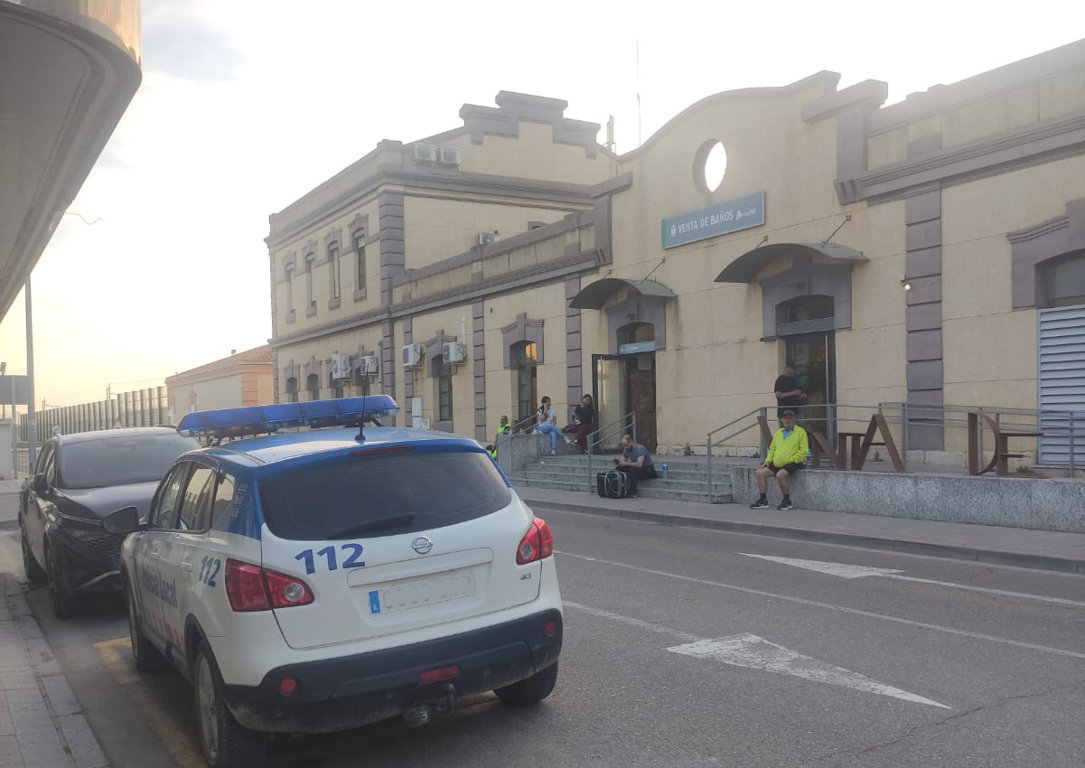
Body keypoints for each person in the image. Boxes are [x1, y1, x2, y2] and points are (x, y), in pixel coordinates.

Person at [750, 408, 807, 510]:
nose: (787, 420)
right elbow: (772, 449)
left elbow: (803, 450)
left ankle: (787, 501)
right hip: (777, 462)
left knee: (780, 475)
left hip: (794, 462)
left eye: (790, 418)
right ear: (782, 420)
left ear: (794, 419)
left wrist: (794, 459)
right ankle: (763, 500)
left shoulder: (800, 432)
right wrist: (768, 460)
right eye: (785, 418)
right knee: (760, 472)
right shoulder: (779, 433)